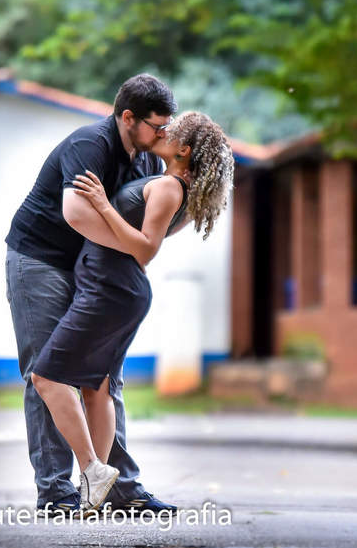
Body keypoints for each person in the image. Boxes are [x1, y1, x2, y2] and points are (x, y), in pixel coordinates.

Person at [29, 112, 234, 510]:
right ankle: (95, 493)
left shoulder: (170, 188)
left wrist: (105, 206)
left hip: (110, 289)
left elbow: (144, 249)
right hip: (112, 287)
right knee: (97, 385)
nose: (162, 132)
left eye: (171, 132)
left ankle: (93, 469)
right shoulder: (167, 182)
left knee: (46, 378)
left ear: (184, 151)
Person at [5, 74, 176, 514]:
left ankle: (118, 487)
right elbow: (77, 213)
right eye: (157, 126)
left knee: (103, 377)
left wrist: (142, 243)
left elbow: (147, 230)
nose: (164, 134)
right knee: (48, 373)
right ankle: (56, 491)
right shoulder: (90, 144)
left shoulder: (150, 164)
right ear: (127, 118)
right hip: (39, 259)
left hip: (90, 268)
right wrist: (138, 246)